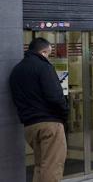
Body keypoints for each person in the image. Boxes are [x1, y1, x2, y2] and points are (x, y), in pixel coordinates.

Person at [10, 38, 69, 182]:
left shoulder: (16, 70)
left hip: (30, 126)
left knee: (40, 165)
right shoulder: (44, 67)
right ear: (43, 52)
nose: (48, 56)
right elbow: (55, 96)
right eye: (48, 53)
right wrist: (64, 114)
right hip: (50, 124)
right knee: (52, 167)